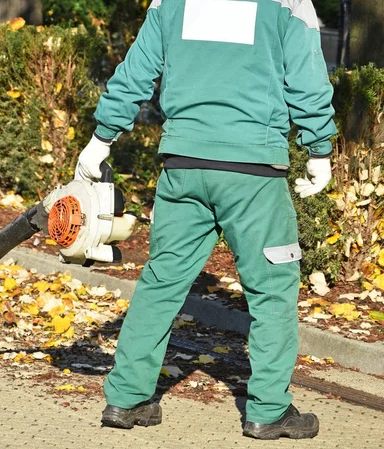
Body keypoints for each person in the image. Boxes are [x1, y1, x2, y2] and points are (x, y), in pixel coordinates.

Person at [74, 0, 336, 440]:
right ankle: (268, 411)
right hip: (252, 169)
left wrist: (102, 137)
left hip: (183, 164)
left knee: (161, 282)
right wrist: (319, 148)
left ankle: (126, 397)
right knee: (273, 289)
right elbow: (306, 76)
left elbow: (137, 70)